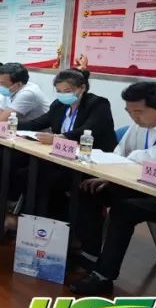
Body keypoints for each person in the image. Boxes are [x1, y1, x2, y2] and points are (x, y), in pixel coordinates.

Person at [70, 82, 156, 295]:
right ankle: (89, 255)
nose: (134, 117)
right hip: (145, 186)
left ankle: (103, 276)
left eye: (138, 112)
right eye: (129, 111)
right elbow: (120, 153)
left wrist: (127, 163)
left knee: (125, 210)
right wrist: (110, 176)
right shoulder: (142, 124)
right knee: (89, 190)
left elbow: (147, 159)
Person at [14, 69, 117, 219]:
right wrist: (9, 124)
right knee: (25, 173)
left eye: (67, 91)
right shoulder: (59, 105)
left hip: (89, 161)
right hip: (62, 158)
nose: (62, 95)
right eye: (59, 91)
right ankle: (35, 218)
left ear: (82, 88)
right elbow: (37, 123)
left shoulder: (97, 104)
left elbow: (89, 129)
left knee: (45, 180)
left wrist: (59, 137)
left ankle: (57, 221)